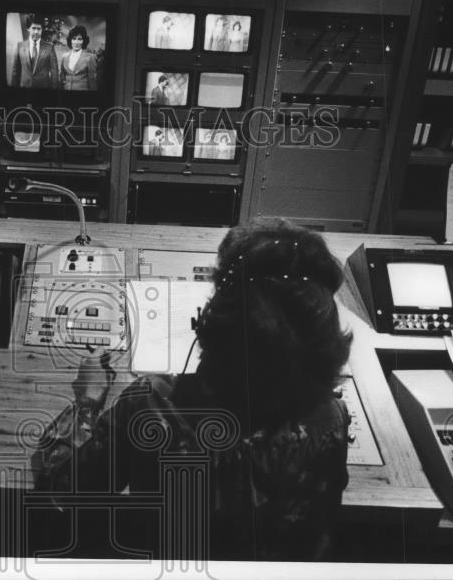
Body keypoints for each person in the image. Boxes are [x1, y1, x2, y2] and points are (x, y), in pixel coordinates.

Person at [33, 218, 353, 561]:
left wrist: (87, 402)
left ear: (211, 323)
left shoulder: (151, 409)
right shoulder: (332, 417)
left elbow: (63, 490)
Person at [10, 15, 59, 88]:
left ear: (42, 29)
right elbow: (15, 72)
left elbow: (54, 73)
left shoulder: (50, 48)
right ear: (28, 29)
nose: (36, 32)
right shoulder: (19, 46)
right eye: (33, 28)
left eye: (39, 29)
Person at [59, 25, 97, 91]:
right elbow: (62, 77)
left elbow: (92, 80)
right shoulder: (64, 57)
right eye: (74, 39)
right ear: (70, 40)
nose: (76, 42)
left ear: (84, 41)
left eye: (79, 39)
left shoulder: (90, 58)